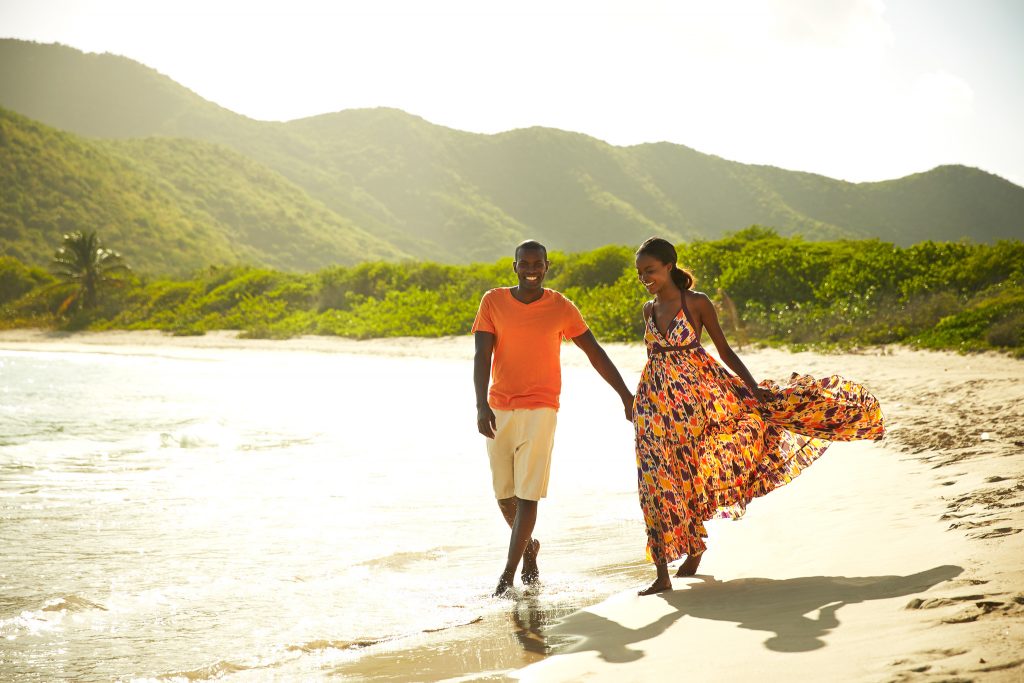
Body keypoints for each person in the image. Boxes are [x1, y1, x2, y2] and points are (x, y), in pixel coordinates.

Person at [631, 237, 885, 595]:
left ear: (669, 267)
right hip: (653, 406)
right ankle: (662, 573)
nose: (645, 278)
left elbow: (724, 350)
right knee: (654, 482)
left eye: (651, 270)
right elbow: (654, 359)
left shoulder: (696, 303)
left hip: (695, 404)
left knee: (690, 472)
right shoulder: (648, 309)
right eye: (641, 272)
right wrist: (636, 402)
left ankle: (694, 548)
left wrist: (751, 388)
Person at [473, 239, 634, 597]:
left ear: (547, 267)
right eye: (524, 263)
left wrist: (625, 395)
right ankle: (528, 548)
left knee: (528, 495)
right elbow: (481, 356)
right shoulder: (493, 301)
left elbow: (595, 352)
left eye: (538, 263)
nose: (531, 269)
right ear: (514, 266)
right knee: (504, 496)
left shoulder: (561, 307)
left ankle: (507, 576)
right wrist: (481, 404)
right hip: (499, 407)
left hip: (542, 408)